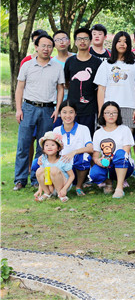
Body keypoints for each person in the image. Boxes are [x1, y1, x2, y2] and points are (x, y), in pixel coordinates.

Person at [14, 34, 65, 191]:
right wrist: (18, 109)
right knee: (23, 144)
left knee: (43, 147)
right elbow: (20, 88)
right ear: (36, 47)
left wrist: (57, 109)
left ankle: (38, 178)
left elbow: (60, 88)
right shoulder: (27, 65)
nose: (46, 49)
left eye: (49, 46)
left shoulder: (57, 67)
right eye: (43, 45)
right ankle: (20, 179)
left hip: (48, 109)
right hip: (28, 108)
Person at [32, 102, 92, 197]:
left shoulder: (83, 129)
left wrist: (74, 152)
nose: (68, 116)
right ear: (60, 114)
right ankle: (49, 188)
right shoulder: (56, 130)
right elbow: (51, 147)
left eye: (71, 112)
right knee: (36, 163)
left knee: (84, 157)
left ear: (75, 114)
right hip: (60, 165)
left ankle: (79, 186)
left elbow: (90, 148)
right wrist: (44, 157)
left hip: (76, 167)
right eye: (64, 112)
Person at [94, 31, 135, 131]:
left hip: (130, 108)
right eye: (119, 41)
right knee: (109, 138)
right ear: (114, 43)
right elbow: (101, 89)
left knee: (127, 138)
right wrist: (101, 110)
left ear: (129, 45)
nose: (122, 44)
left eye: (125, 41)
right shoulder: (106, 64)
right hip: (109, 108)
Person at [90, 101, 135, 198]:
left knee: (120, 153)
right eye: (107, 112)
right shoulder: (98, 133)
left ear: (118, 114)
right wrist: (98, 161)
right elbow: (95, 156)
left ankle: (119, 188)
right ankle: (108, 182)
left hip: (124, 163)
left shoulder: (124, 129)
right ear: (103, 114)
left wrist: (110, 158)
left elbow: (126, 152)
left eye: (114, 112)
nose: (111, 115)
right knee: (94, 174)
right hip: (107, 164)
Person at [63, 27, 103, 131]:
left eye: (85, 38)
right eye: (79, 39)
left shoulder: (97, 62)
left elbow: (100, 87)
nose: (82, 41)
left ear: (90, 41)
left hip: (90, 109)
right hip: (72, 109)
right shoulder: (70, 61)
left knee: (89, 136)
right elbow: (67, 81)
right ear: (75, 42)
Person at [33, 131, 74, 203]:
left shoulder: (63, 160)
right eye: (46, 145)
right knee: (39, 170)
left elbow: (72, 176)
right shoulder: (43, 159)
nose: (49, 147)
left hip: (62, 185)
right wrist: (40, 189)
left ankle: (61, 194)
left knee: (54, 169)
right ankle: (47, 193)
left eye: (52, 145)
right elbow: (41, 176)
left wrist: (64, 189)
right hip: (50, 186)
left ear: (58, 148)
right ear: (43, 149)